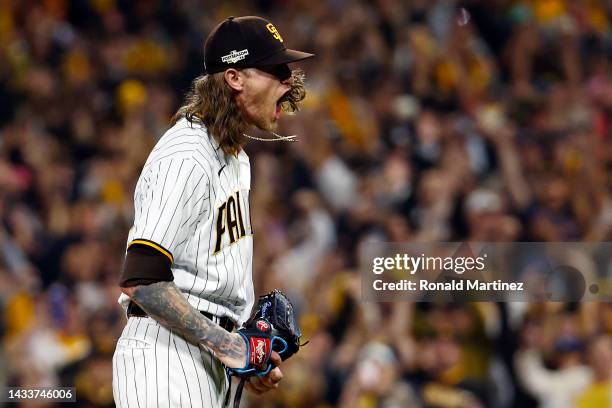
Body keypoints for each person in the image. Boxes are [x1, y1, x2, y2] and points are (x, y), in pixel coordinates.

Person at [111, 15, 313, 408]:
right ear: (235, 78)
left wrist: (244, 355)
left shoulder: (235, 157)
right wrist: (229, 346)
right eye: (276, 69)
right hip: (164, 357)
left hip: (202, 359)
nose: (288, 80)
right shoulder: (188, 153)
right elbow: (141, 278)